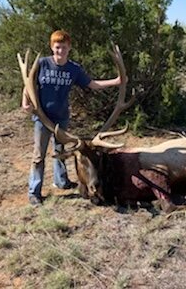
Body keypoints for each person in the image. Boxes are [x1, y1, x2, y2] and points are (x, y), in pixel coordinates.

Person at [22, 30, 122, 205]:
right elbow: (28, 84)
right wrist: (25, 103)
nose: (60, 51)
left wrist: (116, 81)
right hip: (42, 118)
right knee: (39, 155)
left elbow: (91, 84)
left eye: (64, 48)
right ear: (52, 47)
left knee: (61, 152)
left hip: (61, 118)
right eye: (57, 47)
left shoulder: (73, 69)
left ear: (69, 48)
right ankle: (34, 191)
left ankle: (61, 181)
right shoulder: (42, 64)